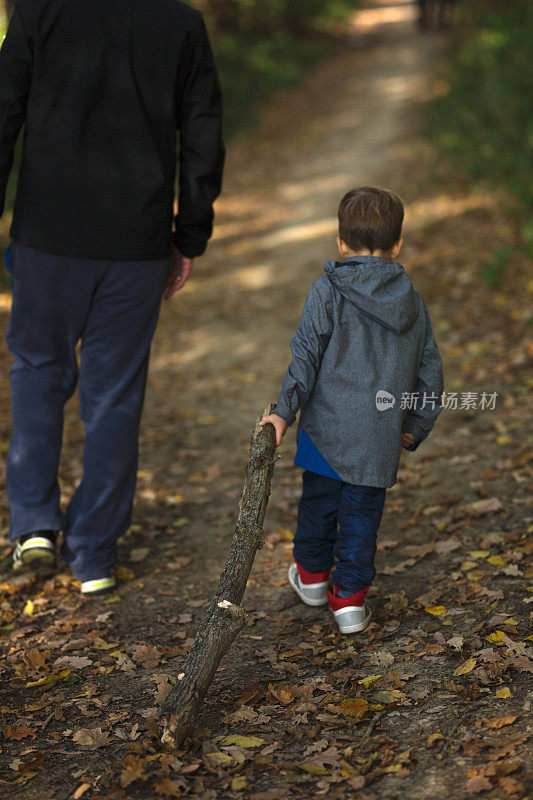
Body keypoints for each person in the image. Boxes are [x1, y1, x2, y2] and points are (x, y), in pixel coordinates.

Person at [0, 0, 224, 595]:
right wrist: (190, 234)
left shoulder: (38, 13)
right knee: (115, 395)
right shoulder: (178, 23)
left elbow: (3, 112)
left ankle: (33, 526)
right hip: (136, 243)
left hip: (48, 238)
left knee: (38, 373)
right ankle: (93, 554)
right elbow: (201, 130)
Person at [261, 187, 443, 634]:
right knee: (361, 519)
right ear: (397, 245)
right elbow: (429, 372)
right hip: (379, 438)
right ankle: (349, 602)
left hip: (326, 432)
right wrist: (415, 426)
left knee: (319, 508)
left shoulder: (327, 291)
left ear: (340, 243)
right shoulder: (412, 302)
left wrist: (283, 412)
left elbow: (304, 356)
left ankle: (312, 578)